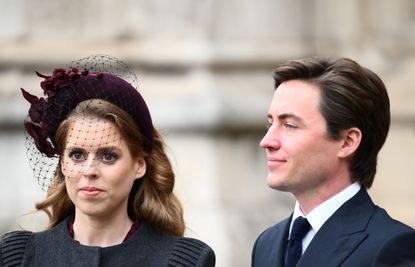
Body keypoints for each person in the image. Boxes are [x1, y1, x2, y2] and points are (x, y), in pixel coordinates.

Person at [0, 55, 215, 266]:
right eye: (77, 155)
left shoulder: (185, 261)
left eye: (108, 156)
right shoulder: (20, 257)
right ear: (63, 164)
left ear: (139, 165)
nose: (90, 171)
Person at [251, 57, 415, 267]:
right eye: (270, 123)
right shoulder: (267, 244)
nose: (267, 142)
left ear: (347, 142)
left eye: (290, 125)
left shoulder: (393, 247)